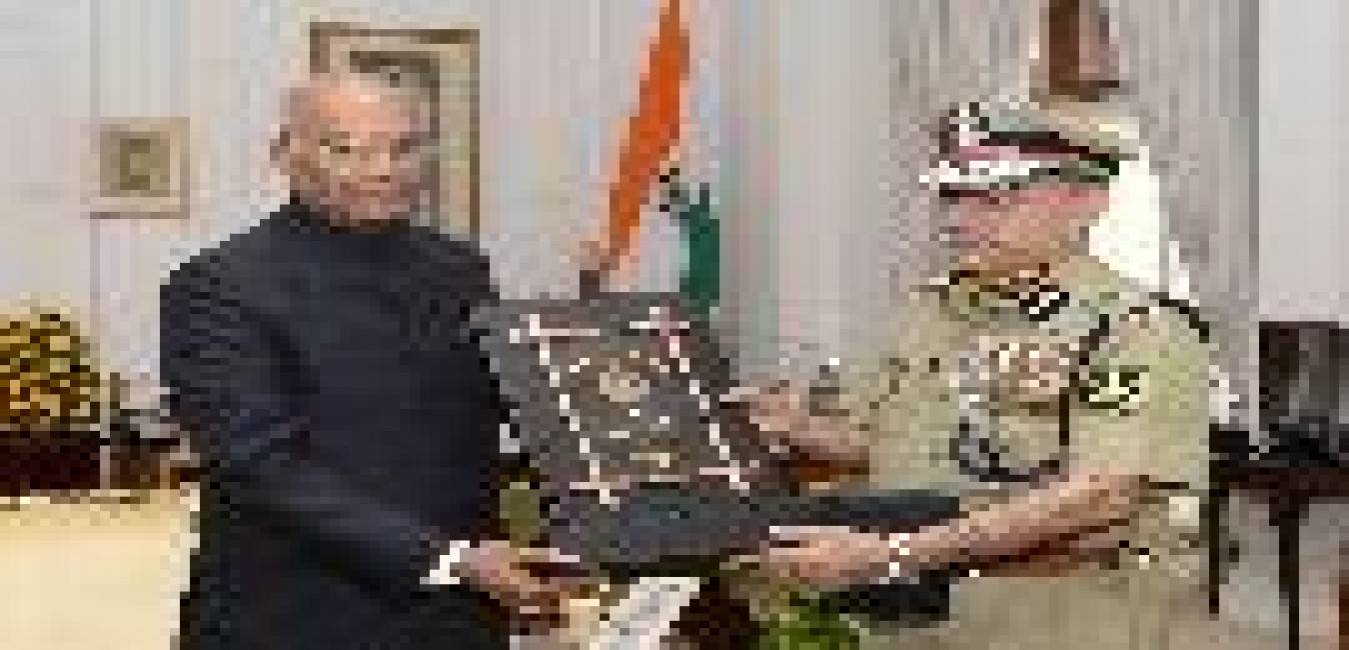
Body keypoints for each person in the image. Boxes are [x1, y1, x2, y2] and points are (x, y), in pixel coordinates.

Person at [161, 72, 579, 650]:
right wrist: (451, 559)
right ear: (285, 154)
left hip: (462, 615)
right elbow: (258, 468)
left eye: (404, 148)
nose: (383, 169)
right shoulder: (220, 286)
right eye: (345, 149)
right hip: (296, 618)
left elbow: (495, 418)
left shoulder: (460, 270)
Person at [811, 98, 1214, 649]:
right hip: (911, 613)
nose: (958, 221)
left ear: (1087, 203)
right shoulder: (934, 310)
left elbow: (1099, 499)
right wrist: (768, 427)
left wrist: (894, 555)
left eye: (995, 198)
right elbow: (886, 443)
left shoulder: (1136, 330)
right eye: (952, 195)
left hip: (1051, 622)